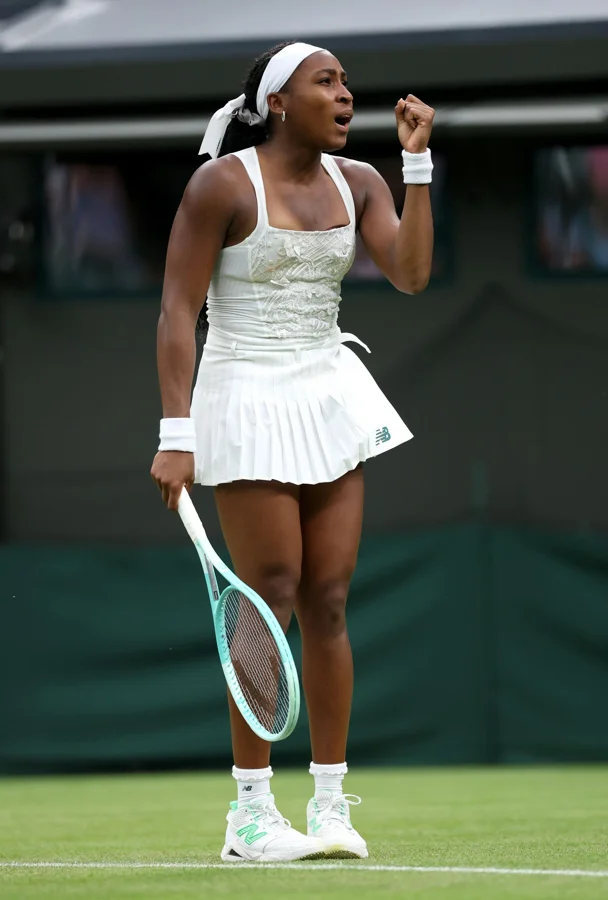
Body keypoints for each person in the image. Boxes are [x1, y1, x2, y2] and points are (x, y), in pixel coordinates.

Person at [151, 41, 434, 863]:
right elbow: (177, 309)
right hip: (244, 395)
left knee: (330, 599)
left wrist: (416, 169)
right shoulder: (221, 184)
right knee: (266, 596)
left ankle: (333, 803)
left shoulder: (366, 183)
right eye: (327, 82)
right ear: (278, 102)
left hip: (327, 392)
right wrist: (176, 434)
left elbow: (412, 274)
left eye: (347, 83)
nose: (347, 94)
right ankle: (249, 815)